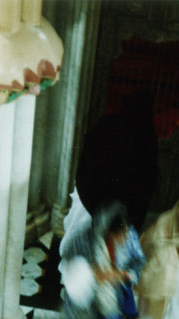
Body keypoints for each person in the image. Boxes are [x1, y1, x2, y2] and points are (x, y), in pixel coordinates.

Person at [39, 202, 146, 319]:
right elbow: (70, 258)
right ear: (106, 232)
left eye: (125, 234)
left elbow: (138, 263)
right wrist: (91, 273)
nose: (123, 240)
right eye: (118, 236)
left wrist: (122, 275)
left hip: (111, 298)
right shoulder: (84, 240)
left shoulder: (129, 237)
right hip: (84, 301)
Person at [59, 89, 158, 267]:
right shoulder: (145, 134)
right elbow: (148, 176)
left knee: (96, 243)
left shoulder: (110, 125)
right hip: (115, 206)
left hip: (99, 202)